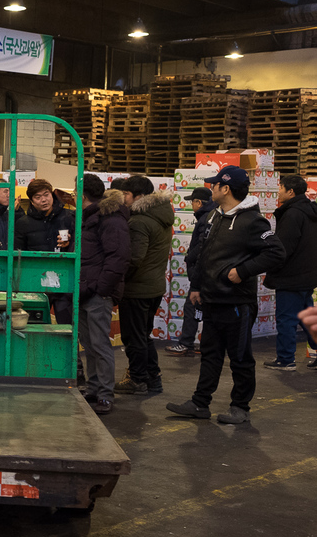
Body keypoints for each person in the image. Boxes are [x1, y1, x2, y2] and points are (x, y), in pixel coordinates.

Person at [166, 166, 285, 425]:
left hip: (236, 303)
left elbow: (276, 252)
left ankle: (240, 407)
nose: (211, 189)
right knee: (210, 354)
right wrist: (197, 287)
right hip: (212, 298)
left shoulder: (253, 221)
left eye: (215, 184)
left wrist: (242, 271)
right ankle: (200, 403)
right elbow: (204, 255)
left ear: (226, 188)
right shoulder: (214, 217)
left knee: (240, 357)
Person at [115, 174, 174, 396]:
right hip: (154, 286)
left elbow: (135, 258)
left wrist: (118, 279)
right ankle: (152, 377)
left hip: (137, 288)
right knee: (143, 335)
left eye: (127, 195)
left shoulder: (139, 221)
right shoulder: (160, 216)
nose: (124, 200)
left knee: (134, 337)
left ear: (139, 196)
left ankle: (137, 379)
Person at [78, 173, 131, 415]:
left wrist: (101, 288)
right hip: (85, 290)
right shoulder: (89, 218)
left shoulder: (110, 219)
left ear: (83, 195)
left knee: (100, 345)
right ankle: (94, 387)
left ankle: (105, 394)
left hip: (97, 292)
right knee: (89, 344)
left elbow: (117, 258)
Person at [262, 174, 317, 370]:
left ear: (290, 192)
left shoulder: (293, 214)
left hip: (291, 277)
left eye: (281, 188)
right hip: (307, 276)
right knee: (306, 318)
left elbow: (283, 249)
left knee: (286, 319)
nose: (278, 192)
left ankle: (285, 359)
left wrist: (272, 272)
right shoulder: (310, 210)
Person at [14, 178, 74, 324]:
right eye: (38, 197)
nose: (43, 200)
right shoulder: (23, 223)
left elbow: (82, 245)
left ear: (52, 195)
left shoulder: (69, 217)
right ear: (32, 201)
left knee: (67, 327)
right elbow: (17, 253)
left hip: (64, 281)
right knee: (33, 325)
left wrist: (70, 243)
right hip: (35, 283)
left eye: (46, 195)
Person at [165, 187, 216, 357]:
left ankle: (186, 343)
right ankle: (202, 344)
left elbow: (202, 245)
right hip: (207, 272)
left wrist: (189, 257)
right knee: (200, 308)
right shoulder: (210, 216)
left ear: (199, 203)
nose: (191, 204)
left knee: (191, 306)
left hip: (202, 273)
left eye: (192, 201)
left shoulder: (205, 218)